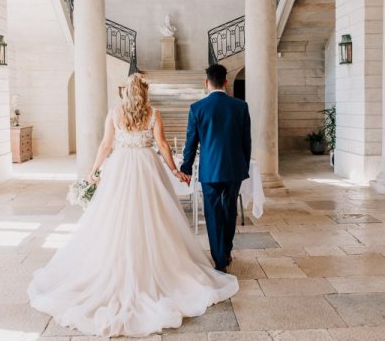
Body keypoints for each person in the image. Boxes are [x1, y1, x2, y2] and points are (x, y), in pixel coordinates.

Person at [28, 73, 238, 338]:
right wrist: (174, 171)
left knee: (115, 220)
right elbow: (162, 145)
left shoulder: (115, 114)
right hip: (147, 167)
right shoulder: (153, 113)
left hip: (120, 168)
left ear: (126, 92)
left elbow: (105, 145)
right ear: (145, 92)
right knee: (154, 218)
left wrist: (94, 171)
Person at [180, 64, 251, 273]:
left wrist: (186, 167)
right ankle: (226, 251)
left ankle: (219, 259)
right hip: (234, 168)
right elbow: (246, 142)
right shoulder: (240, 106)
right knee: (229, 210)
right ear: (226, 82)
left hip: (210, 170)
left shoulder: (197, 108)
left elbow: (190, 143)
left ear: (206, 83)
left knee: (212, 214)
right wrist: (243, 165)